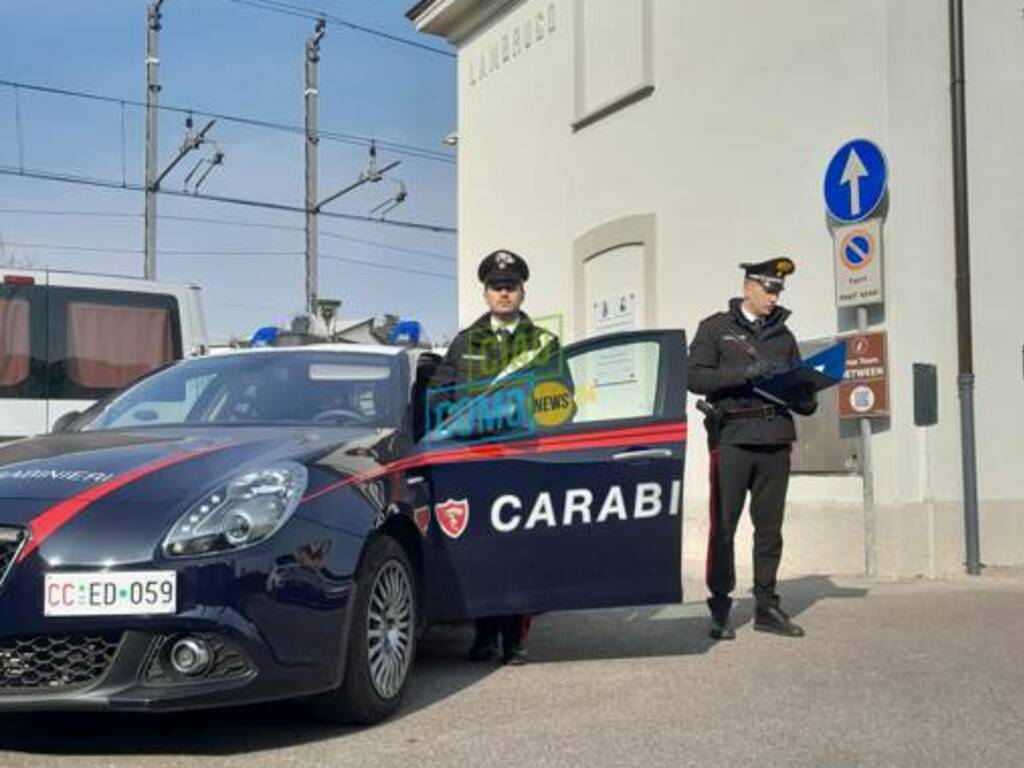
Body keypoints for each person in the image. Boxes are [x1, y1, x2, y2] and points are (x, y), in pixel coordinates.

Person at [430, 248, 564, 665]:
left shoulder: (543, 343)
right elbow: (440, 395)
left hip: (524, 458)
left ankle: (516, 638)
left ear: (522, 292)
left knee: (520, 549)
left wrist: (522, 411)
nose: (504, 294)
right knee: (480, 548)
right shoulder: (466, 341)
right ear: (486, 293)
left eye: (511, 287)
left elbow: (563, 400)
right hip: (476, 460)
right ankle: (485, 634)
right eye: (496, 287)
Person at [687, 257, 817, 641]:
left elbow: (797, 383)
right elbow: (695, 377)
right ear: (749, 287)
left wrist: (806, 395)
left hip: (776, 438)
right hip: (733, 439)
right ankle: (721, 606)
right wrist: (744, 374)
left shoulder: (784, 336)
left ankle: (766, 605)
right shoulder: (715, 329)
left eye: (779, 291)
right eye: (769, 289)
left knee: (770, 529)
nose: (775, 297)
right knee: (723, 528)